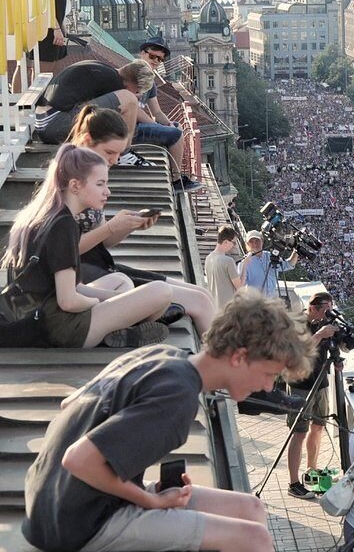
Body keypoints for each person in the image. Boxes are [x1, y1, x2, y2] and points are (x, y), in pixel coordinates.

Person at [21, 290, 354, 552]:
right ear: (239, 356)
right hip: (76, 524)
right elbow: (79, 460)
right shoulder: (179, 398)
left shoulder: (165, 359)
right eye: (269, 373)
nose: (269, 385)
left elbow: (71, 404)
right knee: (252, 542)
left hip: (57, 501)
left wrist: (137, 479)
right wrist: (148, 499)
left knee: (251, 508)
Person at [1, 144, 173, 348]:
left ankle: (121, 332)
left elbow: (73, 288)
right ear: (75, 186)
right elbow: (68, 301)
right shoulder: (63, 226)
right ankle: (120, 331)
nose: (107, 192)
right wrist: (100, 304)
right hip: (62, 328)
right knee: (162, 291)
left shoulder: (49, 215)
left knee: (120, 280)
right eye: (100, 184)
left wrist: (120, 300)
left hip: (45, 315)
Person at [67, 106, 216, 333]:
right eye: (110, 153)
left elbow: (102, 243)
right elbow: (62, 250)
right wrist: (109, 227)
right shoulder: (71, 180)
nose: (115, 161)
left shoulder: (94, 175)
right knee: (201, 302)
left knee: (203, 294)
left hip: (101, 265)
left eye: (119, 154)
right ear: (87, 140)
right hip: (84, 273)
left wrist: (128, 226)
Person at [285, 292, 342, 499]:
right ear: (313, 308)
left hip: (320, 381)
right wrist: (320, 335)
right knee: (299, 432)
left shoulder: (324, 323)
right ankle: (293, 483)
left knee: (318, 427)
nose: (328, 313)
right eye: (326, 309)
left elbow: (332, 347)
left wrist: (337, 357)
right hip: (301, 383)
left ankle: (311, 469)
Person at [129, 37, 200, 192]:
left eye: (160, 59)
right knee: (174, 134)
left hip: (136, 125)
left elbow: (157, 112)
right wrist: (155, 126)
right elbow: (132, 108)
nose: (156, 61)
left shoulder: (150, 81)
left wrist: (167, 124)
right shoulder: (135, 73)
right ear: (142, 53)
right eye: (152, 56)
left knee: (175, 127)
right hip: (127, 129)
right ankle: (176, 179)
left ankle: (176, 175)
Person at [32, 59, 149, 147]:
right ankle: (124, 151)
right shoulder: (114, 82)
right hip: (54, 124)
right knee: (129, 100)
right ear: (133, 83)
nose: (136, 94)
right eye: (137, 91)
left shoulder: (101, 68)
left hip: (44, 122)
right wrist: (154, 124)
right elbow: (129, 108)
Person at [240, 229, 297, 298]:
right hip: (254, 302)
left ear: (262, 241)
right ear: (247, 244)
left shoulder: (270, 255)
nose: (255, 244)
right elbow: (240, 285)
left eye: (257, 240)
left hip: (270, 300)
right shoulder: (244, 262)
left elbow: (287, 265)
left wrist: (295, 252)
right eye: (251, 241)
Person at [205, 225, 244, 309]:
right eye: (233, 242)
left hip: (213, 308)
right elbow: (240, 288)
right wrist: (245, 265)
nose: (234, 245)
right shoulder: (228, 261)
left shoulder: (208, 258)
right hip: (227, 310)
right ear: (226, 241)